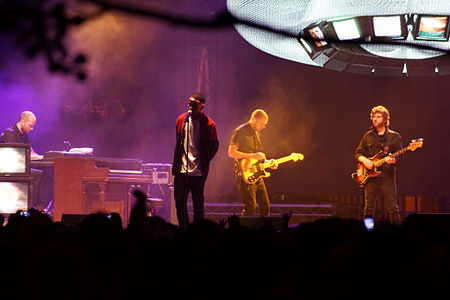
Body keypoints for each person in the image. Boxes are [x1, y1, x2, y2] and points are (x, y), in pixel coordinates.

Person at [172, 93, 219, 229]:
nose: (190, 106)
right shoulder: (182, 120)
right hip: (182, 170)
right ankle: (184, 230)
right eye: (189, 103)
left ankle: (198, 232)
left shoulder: (209, 124)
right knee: (180, 203)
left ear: (201, 106)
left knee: (198, 205)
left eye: (194, 104)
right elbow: (179, 143)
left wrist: (203, 160)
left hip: (198, 172)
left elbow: (214, 146)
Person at [355, 105, 402, 224]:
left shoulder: (394, 137)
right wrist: (365, 160)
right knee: (369, 209)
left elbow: (400, 156)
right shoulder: (368, 136)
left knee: (392, 208)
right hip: (370, 177)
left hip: (387, 176)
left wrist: (393, 160)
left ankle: (397, 233)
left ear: (385, 120)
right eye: (373, 117)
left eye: (378, 117)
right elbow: (358, 153)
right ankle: (368, 231)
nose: (374, 119)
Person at [228, 109, 277, 217]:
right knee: (250, 207)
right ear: (254, 119)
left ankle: (263, 232)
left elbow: (256, 157)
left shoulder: (256, 133)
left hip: (256, 174)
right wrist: (252, 156)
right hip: (244, 174)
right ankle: (244, 232)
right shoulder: (240, 131)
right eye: (262, 124)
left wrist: (268, 162)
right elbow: (231, 153)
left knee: (265, 206)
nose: (264, 126)